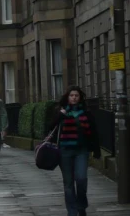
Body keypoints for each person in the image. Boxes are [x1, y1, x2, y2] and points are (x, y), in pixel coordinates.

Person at [50, 85, 101, 216]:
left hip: (81, 151)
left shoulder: (86, 113)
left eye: (76, 96)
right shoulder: (60, 111)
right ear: (67, 97)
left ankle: (81, 206)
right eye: (71, 95)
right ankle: (72, 212)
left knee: (81, 179)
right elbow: (49, 127)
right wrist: (60, 116)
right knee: (68, 183)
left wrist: (96, 150)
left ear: (80, 98)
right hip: (65, 151)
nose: (74, 98)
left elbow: (93, 132)